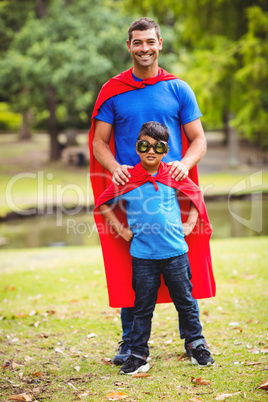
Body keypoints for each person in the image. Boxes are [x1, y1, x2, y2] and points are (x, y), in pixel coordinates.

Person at [89, 17, 208, 365]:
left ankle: (194, 341)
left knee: (181, 263)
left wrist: (184, 165)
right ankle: (131, 343)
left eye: (150, 42)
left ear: (159, 44)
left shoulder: (179, 89)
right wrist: (115, 170)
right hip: (130, 191)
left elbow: (198, 139)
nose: (144, 48)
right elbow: (98, 142)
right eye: (137, 42)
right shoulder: (112, 90)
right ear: (129, 46)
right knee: (131, 265)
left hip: (171, 187)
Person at [97, 121, 215, 374]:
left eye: (158, 147)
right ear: (137, 148)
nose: (151, 151)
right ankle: (138, 355)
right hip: (142, 257)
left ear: (166, 150)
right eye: (144, 145)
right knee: (142, 308)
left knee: (185, 302)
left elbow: (196, 194)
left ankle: (196, 345)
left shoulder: (173, 174)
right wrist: (121, 230)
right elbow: (103, 203)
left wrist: (191, 223)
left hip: (176, 254)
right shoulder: (128, 178)